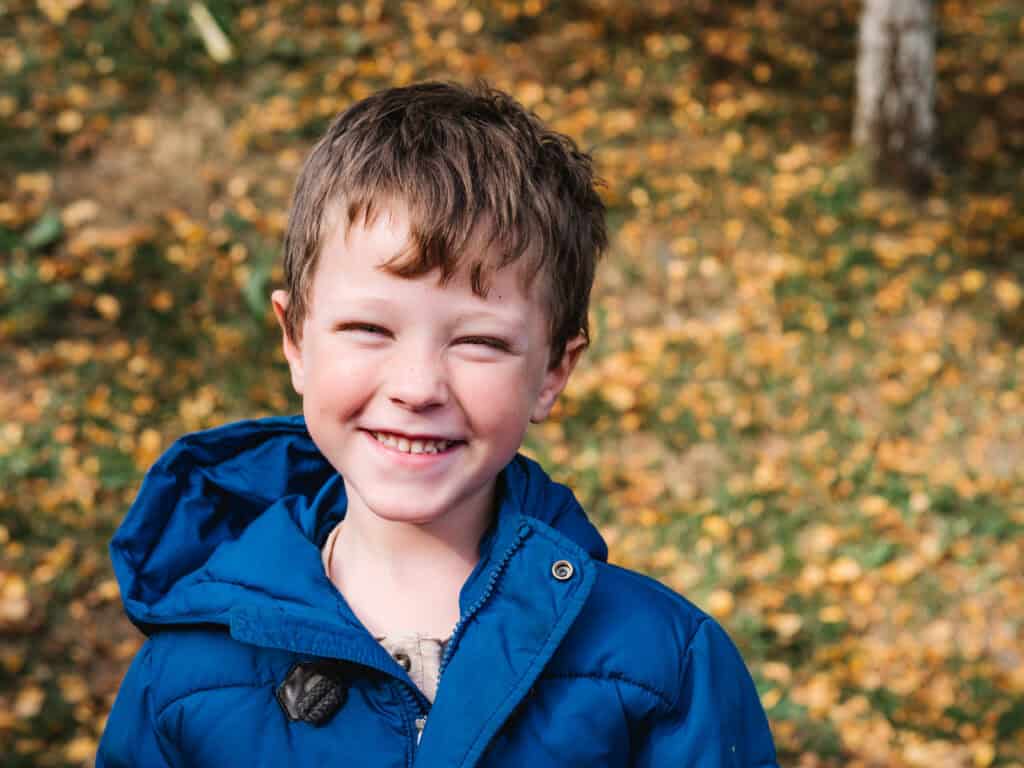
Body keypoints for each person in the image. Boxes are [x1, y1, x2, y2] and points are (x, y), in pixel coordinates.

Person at [97, 81, 779, 767]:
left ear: (552, 371)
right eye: (369, 329)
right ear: (296, 339)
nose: (417, 387)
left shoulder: (663, 665)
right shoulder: (181, 681)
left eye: (479, 341)